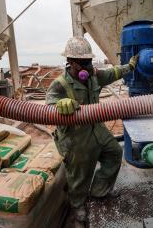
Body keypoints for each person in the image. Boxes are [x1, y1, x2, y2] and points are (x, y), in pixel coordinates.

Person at [45, 36, 138, 224]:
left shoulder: (94, 75)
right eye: (81, 63)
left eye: (88, 62)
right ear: (70, 62)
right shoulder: (60, 84)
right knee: (80, 174)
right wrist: (58, 104)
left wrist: (130, 67)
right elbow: (48, 104)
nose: (86, 67)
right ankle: (77, 204)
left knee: (114, 153)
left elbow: (113, 73)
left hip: (97, 129)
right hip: (76, 137)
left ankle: (98, 191)